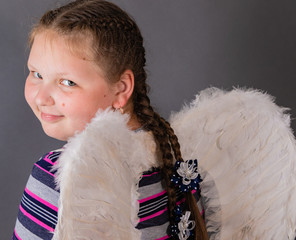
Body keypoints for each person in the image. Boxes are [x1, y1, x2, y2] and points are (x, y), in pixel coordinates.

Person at [12, 0, 208, 239]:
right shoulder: (177, 158)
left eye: (68, 82)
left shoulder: (59, 179)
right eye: (37, 74)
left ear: (121, 89)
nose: (41, 97)